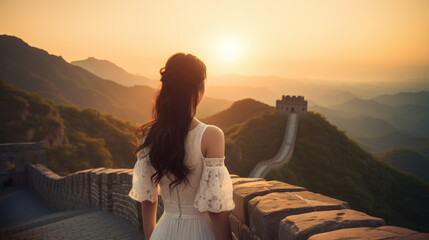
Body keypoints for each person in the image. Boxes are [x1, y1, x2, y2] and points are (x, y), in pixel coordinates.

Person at [128, 53, 236, 240]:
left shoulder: (147, 135)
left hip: (163, 231)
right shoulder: (211, 135)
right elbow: (214, 206)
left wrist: (151, 237)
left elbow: (148, 198)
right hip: (200, 233)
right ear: (199, 88)